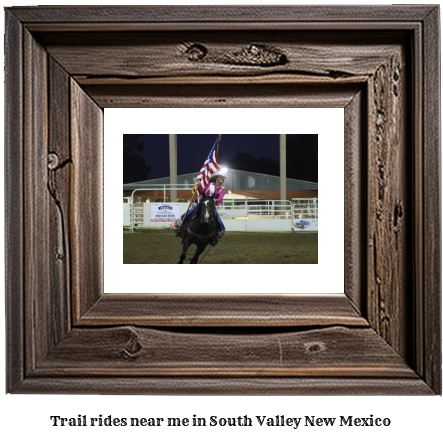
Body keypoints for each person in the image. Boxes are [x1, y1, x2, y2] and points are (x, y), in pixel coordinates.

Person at [172, 169, 227, 244]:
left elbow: (220, 198)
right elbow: (202, 192)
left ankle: (217, 235)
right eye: (220, 177)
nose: (222, 179)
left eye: (223, 178)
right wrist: (198, 187)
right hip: (203, 204)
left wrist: (214, 200)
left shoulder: (223, 189)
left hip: (212, 206)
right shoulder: (210, 185)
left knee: (218, 220)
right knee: (189, 212)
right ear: (217, 178)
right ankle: (179, 226)